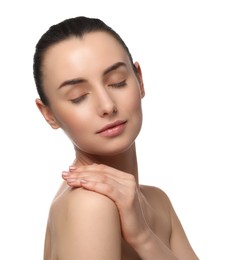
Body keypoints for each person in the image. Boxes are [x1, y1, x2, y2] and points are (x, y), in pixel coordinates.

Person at [33, 16, 199, 260]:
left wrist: (144, 237)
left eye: (117, 82)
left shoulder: (158, 202)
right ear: (49, 114)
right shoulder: (90, 206)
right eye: (78, 96)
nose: (107, 106)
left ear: (139, 80)